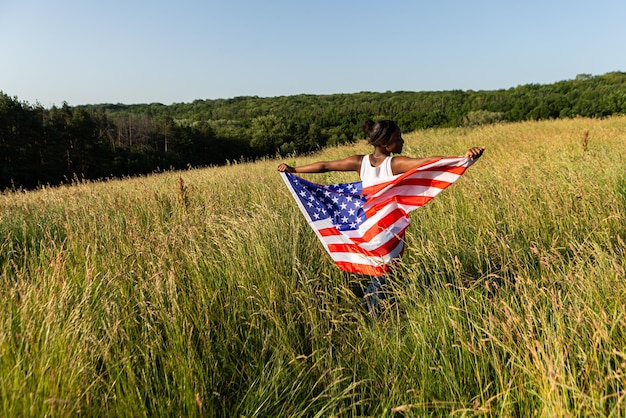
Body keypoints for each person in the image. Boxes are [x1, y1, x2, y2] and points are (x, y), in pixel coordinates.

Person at [278, 118, 484, 315]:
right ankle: (372, 310)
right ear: (386, 143)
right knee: (385, 270)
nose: (402, 141)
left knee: (382, 269)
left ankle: (378, 306)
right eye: (398, 138)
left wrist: (294, 169)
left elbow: (324, 166)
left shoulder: (360, 161)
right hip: (385, 227)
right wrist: (464, 159)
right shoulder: (395, 164)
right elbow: (430, 162)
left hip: (366, 224)